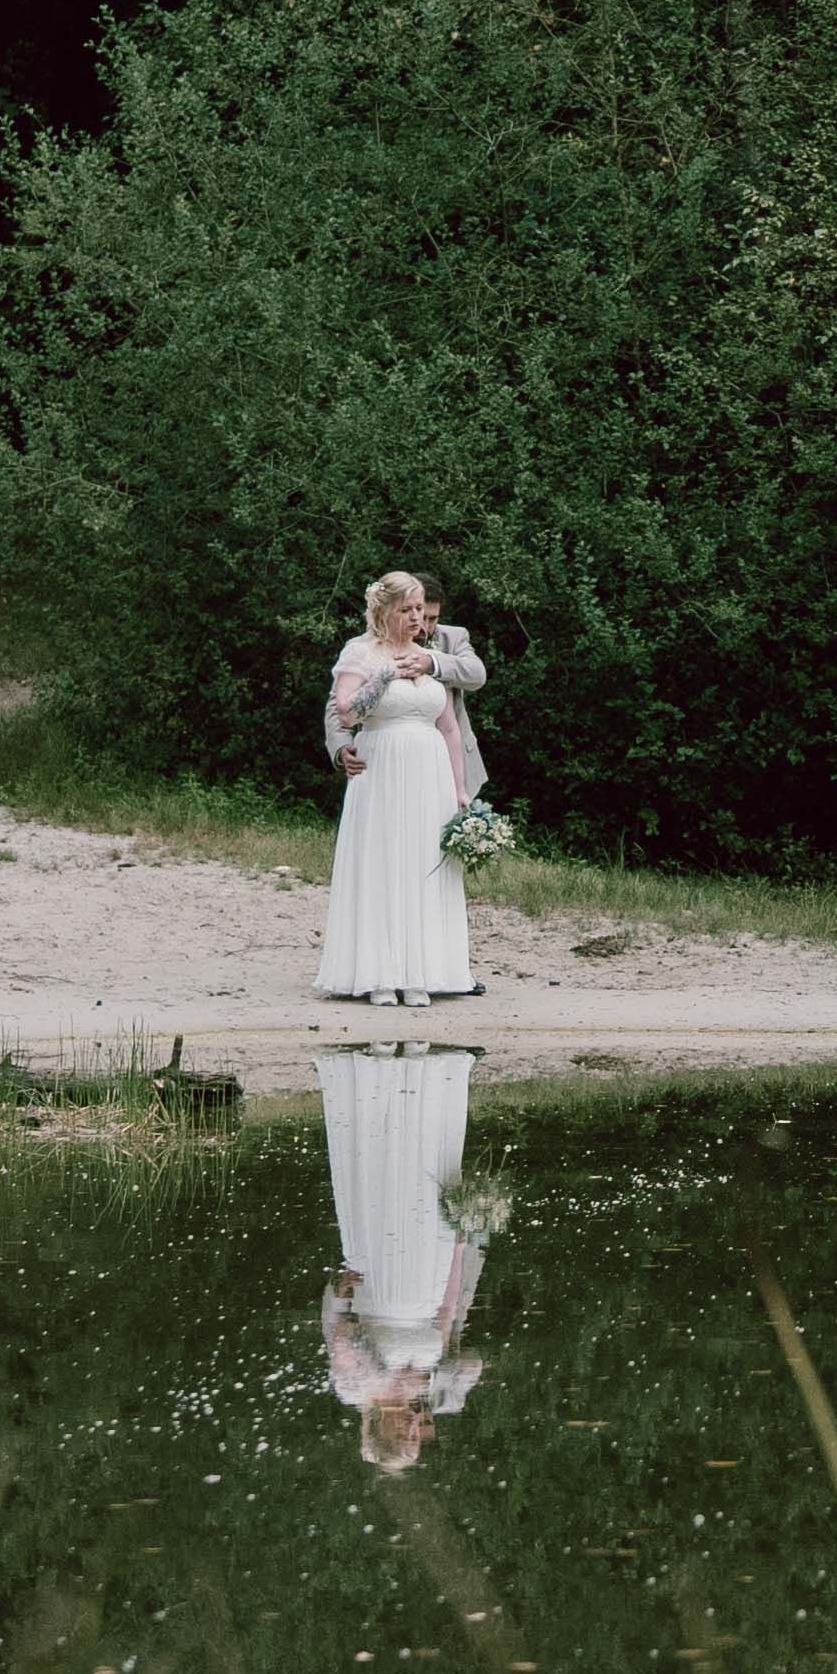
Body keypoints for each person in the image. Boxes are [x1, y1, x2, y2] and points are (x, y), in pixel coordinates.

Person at [319, 1041, 498, 1478]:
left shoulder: (357, 1389)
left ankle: (383, 1091)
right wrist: (456, 1249)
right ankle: (428, 1090)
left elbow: (341, 1338)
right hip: (428, 1274)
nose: (414, 1429)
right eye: (415, 1438)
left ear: (379, 1430)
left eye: (405, 1436)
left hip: (382, 1285)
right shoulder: (427, 1385)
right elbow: (447, 1314)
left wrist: (344, 1301)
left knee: (390, 1191)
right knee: (424, 1192)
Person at [318, 571, 491, 1002]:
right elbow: (346, 711)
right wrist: (383, 677)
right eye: (408, 610)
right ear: (385, 611)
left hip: (429, 775)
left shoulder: (430, 653)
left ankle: (420, 973)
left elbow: (449, 726)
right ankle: (379, 975)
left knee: (422, 867)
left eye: (421, 610)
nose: (418, 618)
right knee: (384, 863)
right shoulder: (360, 653)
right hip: (382, 770)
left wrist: (459, 790)